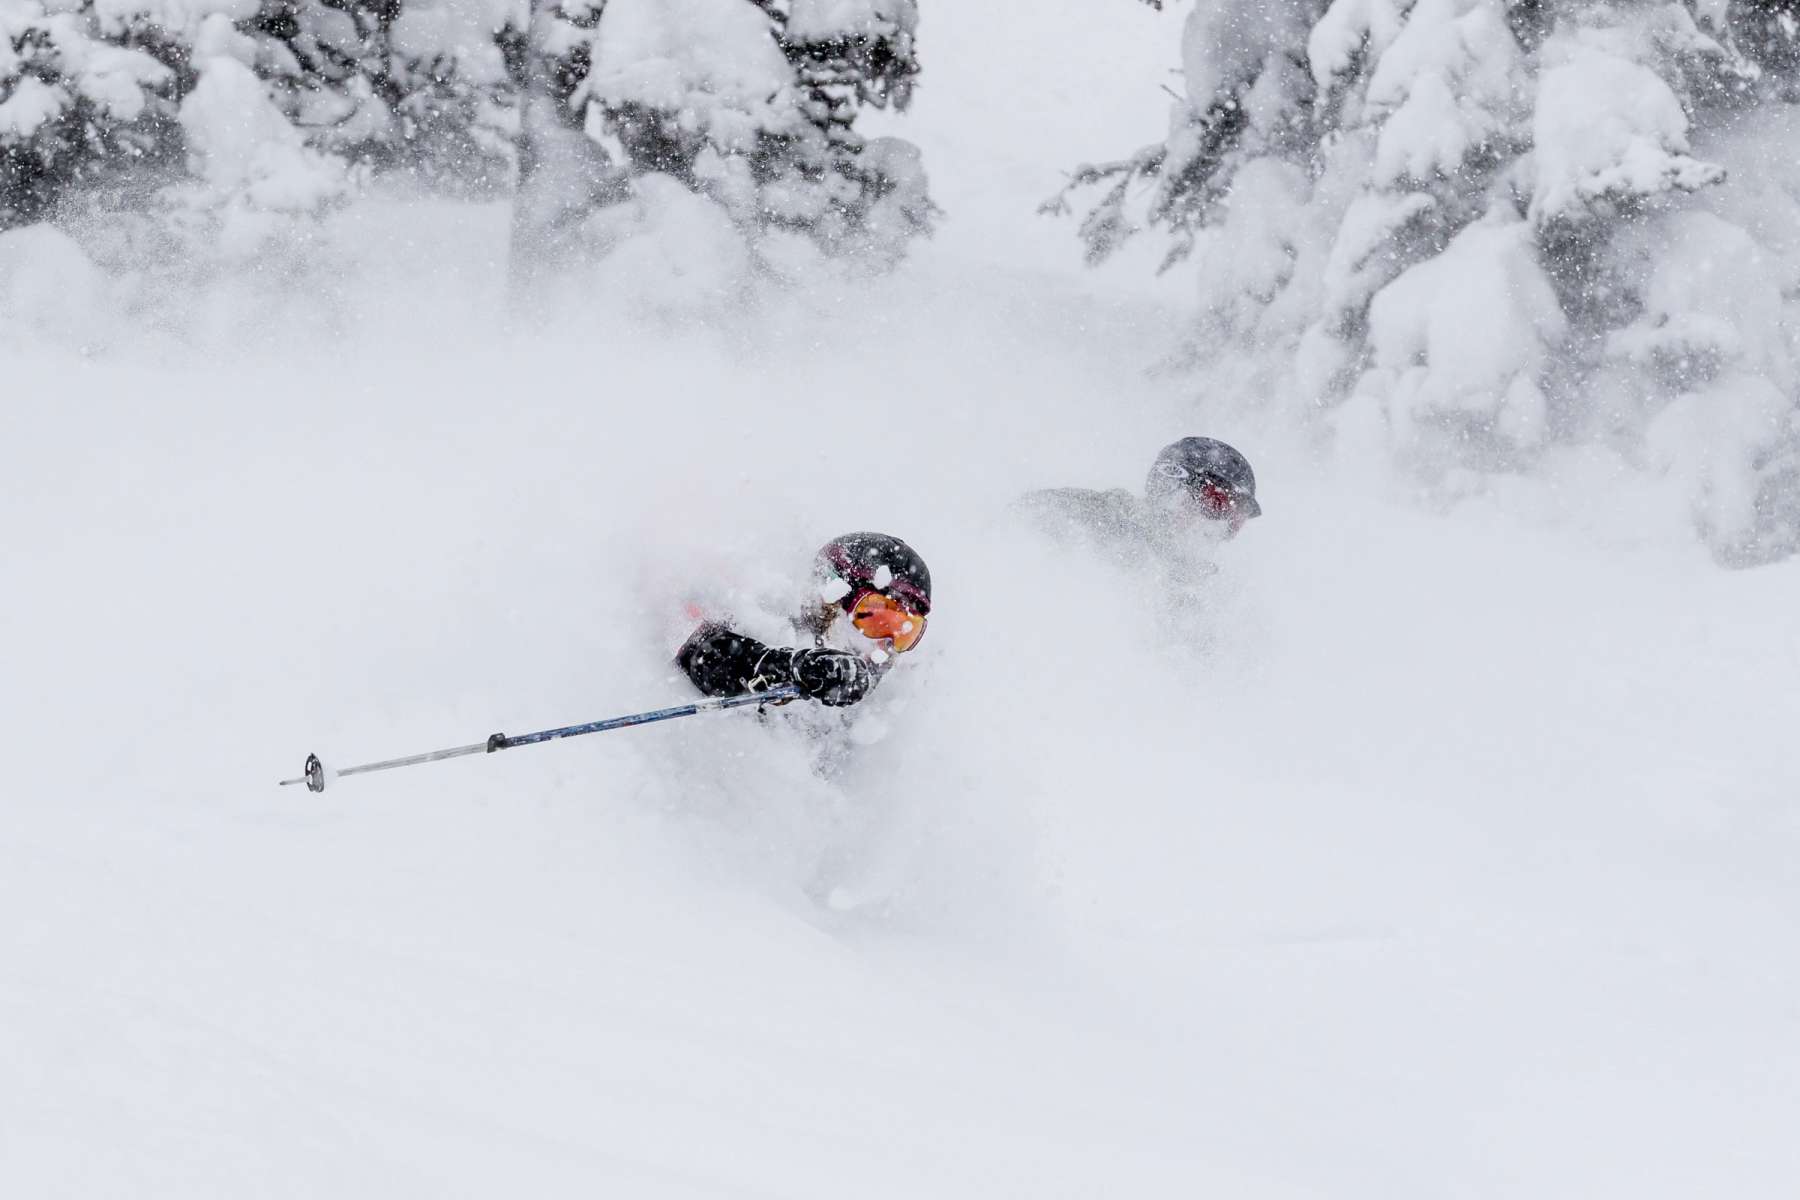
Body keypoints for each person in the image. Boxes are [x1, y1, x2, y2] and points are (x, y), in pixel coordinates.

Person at [675, 532, 931, 708]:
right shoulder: (770, 616)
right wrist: (789, 668)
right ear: (831, 598)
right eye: (876, 618)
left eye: (905, 633)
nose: (884, 646)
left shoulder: (879, 708)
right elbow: (702, 655)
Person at [1016, 436, 1262, 569]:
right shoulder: (1089, 517)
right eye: (1216, 504)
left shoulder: (1213, 598)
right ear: (1169, 488)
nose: (1218, 529)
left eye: (1235, 521)